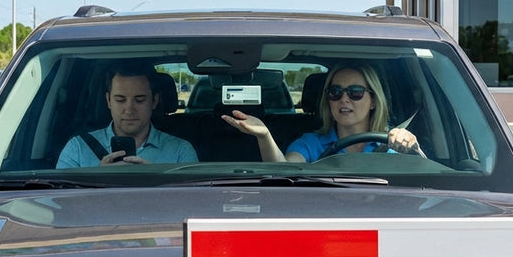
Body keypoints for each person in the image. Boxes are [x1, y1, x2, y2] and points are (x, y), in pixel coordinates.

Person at [222, 63, 420, 162]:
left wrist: (412, 148)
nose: (344, 99)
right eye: (335, 92)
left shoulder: (392, 143)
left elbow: (426, 184)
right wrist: (264, 136)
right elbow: (284, 171)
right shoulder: (312, 143)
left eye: (355, 92)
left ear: (374, 101)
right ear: (328, 100)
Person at [57, 62, 198, 167]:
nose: (129, 109)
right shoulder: (77, 149)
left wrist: (154, 181)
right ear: (108, 101)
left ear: (154, 101)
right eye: (120, 100)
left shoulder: (180, 152)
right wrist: (98, 179)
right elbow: (62, 198)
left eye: (139, 100)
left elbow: (190, 199)